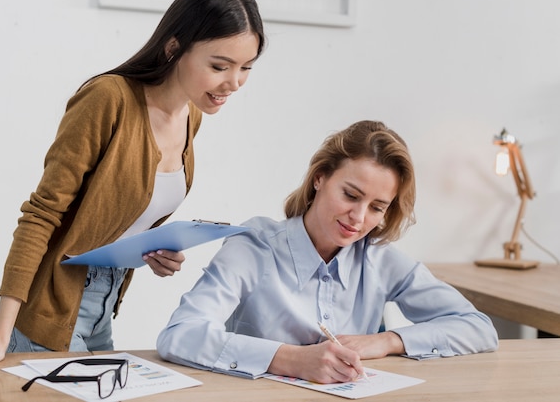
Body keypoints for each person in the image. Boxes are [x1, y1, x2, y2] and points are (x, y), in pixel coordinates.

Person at [0, 0, 265, 399]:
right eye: (219, 66)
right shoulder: (109, 99)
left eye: (246, 67)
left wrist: (150, 250)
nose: (233, 83)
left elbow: (118, 212)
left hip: (104, 306)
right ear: (175, 47)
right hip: (53, 311)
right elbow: (42, 214)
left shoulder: (191, 117)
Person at [157, 120, 498, 383]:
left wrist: (386, 341)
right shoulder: (255, 246)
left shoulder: (377, 258)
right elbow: (180, 335)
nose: (359, 218)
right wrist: (289, 359)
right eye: (350, 195)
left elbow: (476, 327)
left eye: (377, 207)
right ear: (320, 178)